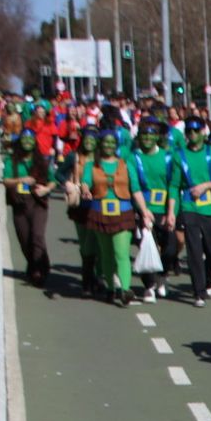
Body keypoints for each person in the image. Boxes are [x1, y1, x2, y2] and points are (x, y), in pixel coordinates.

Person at [174, 116, 211, 306]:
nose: (193, 134)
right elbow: (174, 185)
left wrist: (206, 186)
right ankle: (198, 291)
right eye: (189, 131)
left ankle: (207, 278)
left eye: (196, 130)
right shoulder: (178, 155)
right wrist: (172, 212)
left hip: (209, 208)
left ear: (203, 132)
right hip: (188, 207)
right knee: (194, 251)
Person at [81, 129, 139, 307]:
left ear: (117, 145)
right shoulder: (92, 166)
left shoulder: (126, 164)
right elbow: (85, 182)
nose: (109, 145)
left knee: (121, 252)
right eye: (105, 142)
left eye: (112, 142)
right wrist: (84, 189)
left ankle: (125, 289)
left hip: (123, 213)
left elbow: (135, 189)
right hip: (100, 214)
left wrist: (144, 211)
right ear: (100, 144)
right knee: (106, 255)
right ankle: (111, 288)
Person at [128, 118, 180, 302]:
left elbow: (173, 185)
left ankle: (163, 275)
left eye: (151, 135)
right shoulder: (133, 158)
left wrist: (171, 212)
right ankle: (148, 286)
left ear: (157, 137)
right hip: (144, 209)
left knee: (171, 248)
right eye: (144, 135)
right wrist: (143, 211)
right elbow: (134, 186)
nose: (148, 138)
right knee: (146, 246)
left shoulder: (167, 157)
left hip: (165, 209)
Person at [0, 129, 54, 287]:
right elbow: (6, 180)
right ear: (20, 142)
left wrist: (46, 189)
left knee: (37, 235)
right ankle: (33, 264)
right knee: (25, 239)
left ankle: (39, 270)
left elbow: (52, 180)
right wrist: (21, 180)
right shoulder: (12, 161)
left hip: (38, 202)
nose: (28, 143)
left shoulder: (41, 161)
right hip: (20, 203)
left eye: (31, 140)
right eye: (25, 140)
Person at [56, 127, 102, 295]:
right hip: (81, 206)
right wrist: (67, 183)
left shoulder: (102, 157)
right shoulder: (73, 156)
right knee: (85, 245)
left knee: (98, 244)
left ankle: (98, 277)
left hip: (99, 204)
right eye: (87, 138)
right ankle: (87, 281)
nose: (90, 141)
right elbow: (58, 173)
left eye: (93, 138)